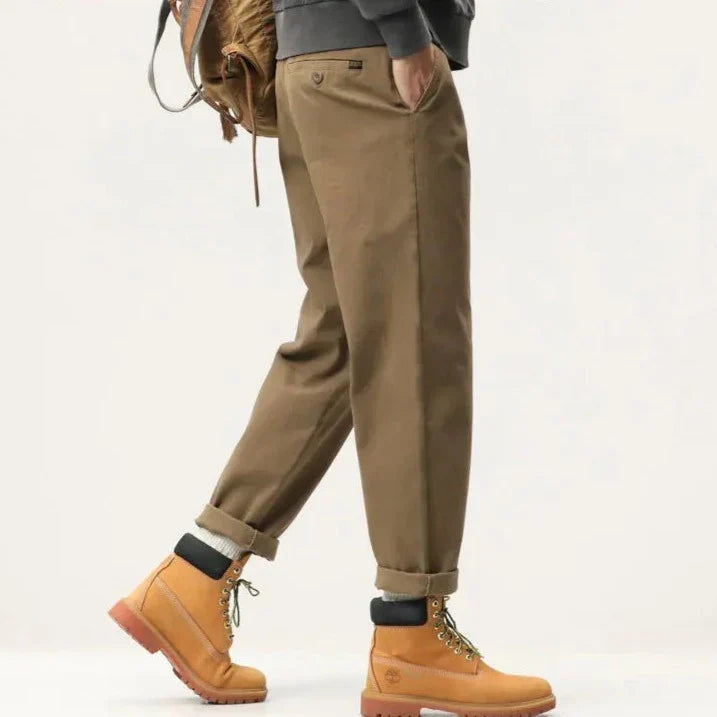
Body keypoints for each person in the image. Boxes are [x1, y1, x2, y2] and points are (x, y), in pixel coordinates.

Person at [110, 1, 556, 715]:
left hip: (315, 65)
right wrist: (403, 30)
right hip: (373, 58)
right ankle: (411, 633)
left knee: (342, 335)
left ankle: (195, 575)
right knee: (415, 337)